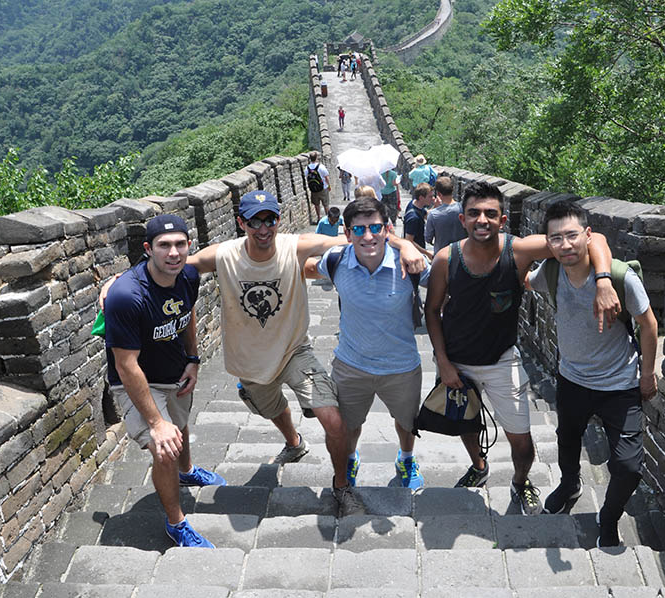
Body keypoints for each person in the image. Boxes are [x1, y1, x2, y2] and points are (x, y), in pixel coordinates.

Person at [186, 190, 424, 517]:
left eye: (270, 219)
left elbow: (362, 238)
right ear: (241, 223)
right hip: (250, 360)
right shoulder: (224, 254)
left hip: (296, 351)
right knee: (273, 409)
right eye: (254, 221)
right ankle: (295, 442)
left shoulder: (292, 245)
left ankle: (342, 487)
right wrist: (125, 281)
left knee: (334, 422)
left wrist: (406, 244)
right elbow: (176, 265)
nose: (263, 227)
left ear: (278, 220)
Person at [425, 181, 620, 516]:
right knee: (465, 423)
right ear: (462, 220)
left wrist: (603, 280)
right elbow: (431, 310)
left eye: (490, 214)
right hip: (456, 362)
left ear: (503, 221)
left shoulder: (519, 252)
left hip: (502, 360)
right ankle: (479, 465)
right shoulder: (447, 259)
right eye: (473, 213)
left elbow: (593, 239)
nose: (481, 220)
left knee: (522, 441)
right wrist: (443, 362)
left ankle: (519, 481)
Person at [528, 200, 658, 546]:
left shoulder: (620, 278)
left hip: (620, 384)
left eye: (572, 235)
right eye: (556, 238)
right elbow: (524, 280)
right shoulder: (551, 273)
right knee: (567, 440)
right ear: (548, 242)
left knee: (628, 466)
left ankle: (609, 516)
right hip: (572, 379)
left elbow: (649, 326)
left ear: (587, 235)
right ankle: (570, 485)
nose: (565, 244)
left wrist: (647, 375)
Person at [104, 214, 225, 548]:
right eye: (164, 245)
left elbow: (186, 313)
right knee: (164, 446)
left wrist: (193, 358)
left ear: (189, 245)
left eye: (180, 244)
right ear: (148, 249)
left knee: (180, 425)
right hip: (138, 380)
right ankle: (177, 523)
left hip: (175, 370)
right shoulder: (127, 295)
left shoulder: (187, 275)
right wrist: (155, 423)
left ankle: (187, 472)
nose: (173, 252)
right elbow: (126, 365)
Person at [308, 197, 431, 490]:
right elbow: (304, 268)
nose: (368, 236)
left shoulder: (410, 264)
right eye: (359, 229)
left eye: (375, 227)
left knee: (406, 423)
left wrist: (409, 246)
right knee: (349, 426)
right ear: (347, 233)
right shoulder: (336, 260)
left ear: (387, 228)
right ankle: (349, 458)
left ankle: (406, 458)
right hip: (351, 365)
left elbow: (452, 275)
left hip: (401, 366)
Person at [424, 176, 466, 255]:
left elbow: (428, 238)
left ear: (439, 193)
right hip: (462, 254)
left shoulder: (433, 215)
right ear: (452, 190)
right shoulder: (463, 209)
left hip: (442, 256)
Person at [403, 182, 434, 259]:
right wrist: (427, 253)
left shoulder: (414, 203)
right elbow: (409, 241)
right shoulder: (413, 218)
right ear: (421, 198)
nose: (433, 198)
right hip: (414, 255)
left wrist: (436, 206)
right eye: (430, 197)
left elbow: (426, 215)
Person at [306, 151, 331, 224]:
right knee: (326, 204)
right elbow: (326, 177)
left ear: (310, 158)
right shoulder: (321, 166)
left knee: (316, 205)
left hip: (313, 189)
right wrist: (329, 186)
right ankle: (328, 218)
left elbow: (307, 177)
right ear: (316, 158)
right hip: (323, 188)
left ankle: (319, 218)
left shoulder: (307, 168)